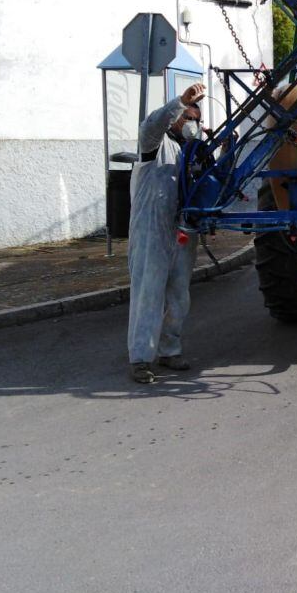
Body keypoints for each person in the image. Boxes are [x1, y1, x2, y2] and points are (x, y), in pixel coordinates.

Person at [127, 82, 205, 384]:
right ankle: (140, 359)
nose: (193, 125)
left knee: (179, 297)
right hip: (151, 232)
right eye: (188, 118)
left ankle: (170, 349)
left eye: (197, 120)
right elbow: (151, 124)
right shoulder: (154, 145)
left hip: (182, 232)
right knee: (148, 295)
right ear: (175, 119)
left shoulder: (192, 153)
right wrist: (179, 102)